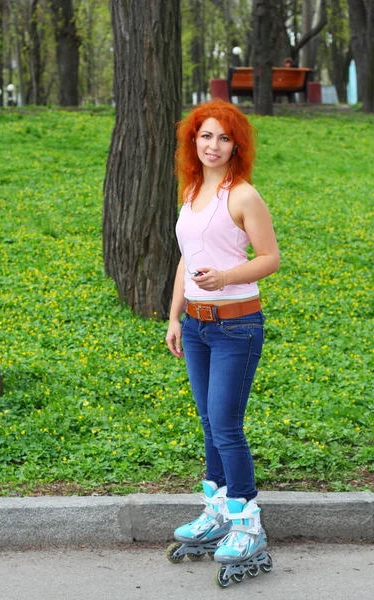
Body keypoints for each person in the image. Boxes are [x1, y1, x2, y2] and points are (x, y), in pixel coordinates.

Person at [165, 99, 280, 583]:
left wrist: (226, 277)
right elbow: (184, 259)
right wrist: (175, 316)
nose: (213, 145)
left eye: (224, 137)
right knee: (210, 423)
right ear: (194, 140)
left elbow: (270, 258)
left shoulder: (243, 195)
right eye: (205, 135)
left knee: (227, 426)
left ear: (237, 145)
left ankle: (247, 524)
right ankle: (216, 512)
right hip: (195, 326)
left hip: (237, 325)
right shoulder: (190, 192)